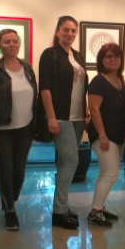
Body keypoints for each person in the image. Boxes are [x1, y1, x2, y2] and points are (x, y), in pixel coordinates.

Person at [0, 29, 37, 231]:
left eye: (14, 41)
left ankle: (9, 201)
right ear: (0, 45)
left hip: (25, 128)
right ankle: (11, 211)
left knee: (19, 171)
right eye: (7, 41)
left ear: (19, 44)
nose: (11, 44)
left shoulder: (28, 69)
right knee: (5, 169)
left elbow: (35, 97)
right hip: (1, 129)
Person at [39, 16, 88, 230]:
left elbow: (82, 86)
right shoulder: (50, 55)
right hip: (60, 116)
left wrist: (86, 110)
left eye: (73, 30)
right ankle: (59, 211)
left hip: (77, 117)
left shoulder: (77, 55)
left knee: (65, 162)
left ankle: (62, 206)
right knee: (70, 161)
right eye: (66, 30)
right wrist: (50, 117)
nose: (70, 34)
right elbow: (45, 88)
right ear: (57, 31)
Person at [87, 43, 125, 228]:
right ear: (102, 60)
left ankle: (99, 207)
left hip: (118, 135)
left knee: (104, 173)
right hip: (103, 136)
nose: (113, 60)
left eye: (116, 56)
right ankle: (95, 213)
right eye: (108, 57)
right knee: (111, 173)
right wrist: (102, 135)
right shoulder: (98, 81)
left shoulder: (120, 80)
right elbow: (94, 109)